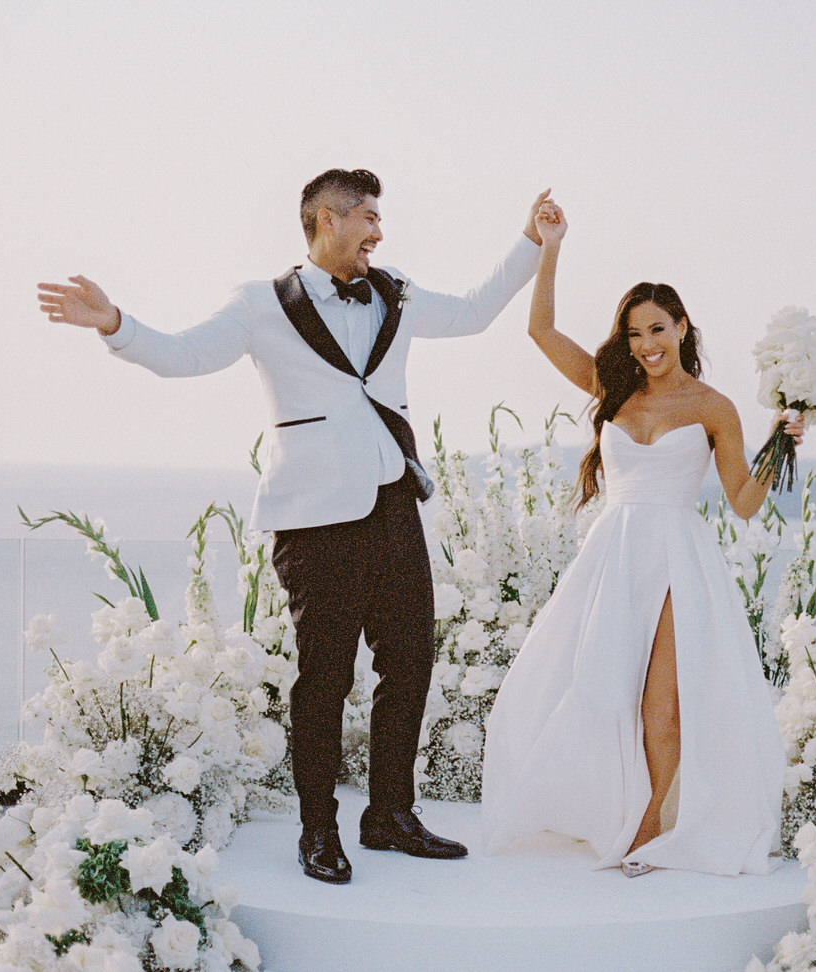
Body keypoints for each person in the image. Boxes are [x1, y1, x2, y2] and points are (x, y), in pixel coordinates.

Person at [38, 168, 550, 885]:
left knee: (409, 663)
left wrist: (531, 241)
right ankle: (318, 831)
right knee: (324, 679)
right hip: (313, 523)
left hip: (394, 503)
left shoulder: (394, 290)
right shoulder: (258, 303)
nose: (379, 230)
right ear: (325, 219)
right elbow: (185, 356)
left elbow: (471, 310)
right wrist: (116, 325)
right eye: (368, 216)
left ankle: (390, 815)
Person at [480, 201, 800, 877]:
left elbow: (743, 504)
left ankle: (652, 823)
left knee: (663, 704)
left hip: (678, 559)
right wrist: (551, 243)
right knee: (594, 692)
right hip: (613, 556)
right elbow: (539, 328)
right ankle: (598, 806)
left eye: (658, 329)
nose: (647, 344)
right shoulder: (613, 386)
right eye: (634, 333)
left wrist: (778, 446)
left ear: (683, 327)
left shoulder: (714, 407)